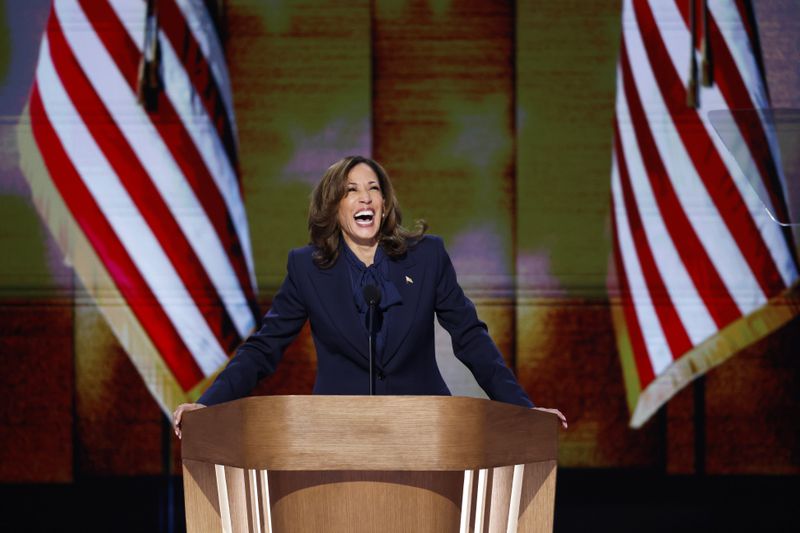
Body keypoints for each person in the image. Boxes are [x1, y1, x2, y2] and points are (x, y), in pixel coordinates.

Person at [173, 156, 566, 437]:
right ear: (334, 207)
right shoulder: (308, 269)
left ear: (384, 203)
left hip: (424, 433)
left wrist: (524, 411)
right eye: (351, 191)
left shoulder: (426, 257)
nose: (365, 198)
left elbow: (470, 338)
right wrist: (207, 405)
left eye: (373, 190)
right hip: (338, 435)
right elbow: (264, 349)